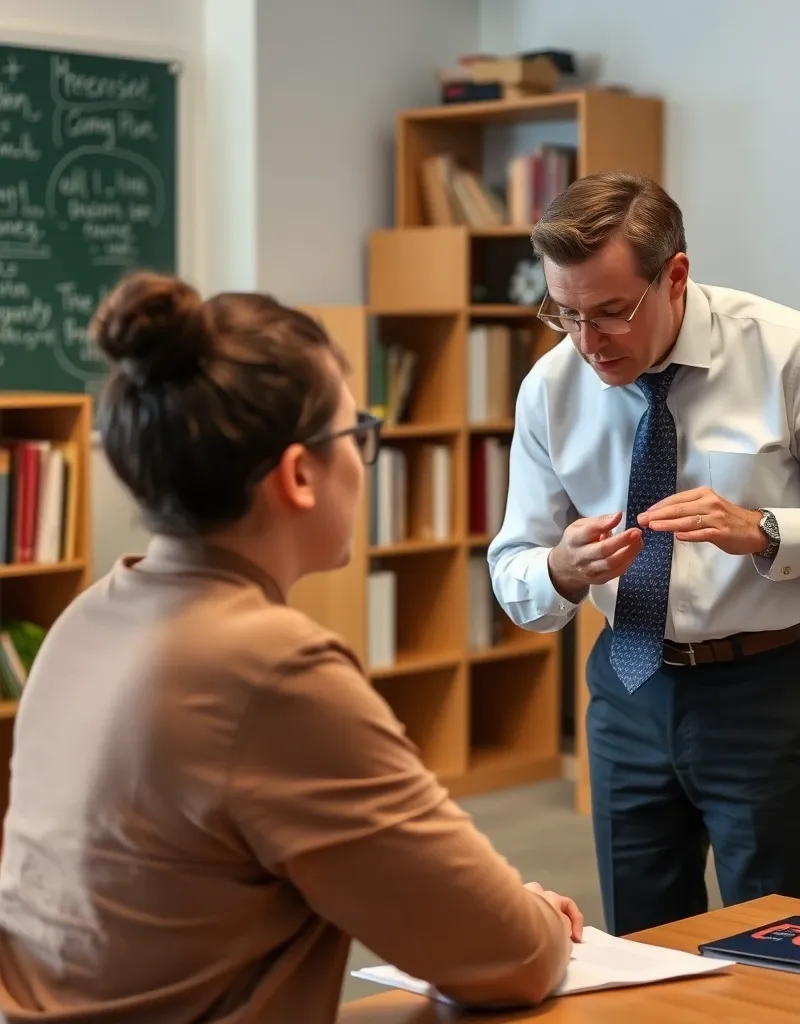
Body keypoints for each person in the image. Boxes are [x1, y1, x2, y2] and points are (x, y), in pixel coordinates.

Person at [0, 272, 583, 1023]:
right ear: (299, 475)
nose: (363, 460)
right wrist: (525, 918)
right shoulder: (269, 668)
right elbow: (511, 957)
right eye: (357, 435)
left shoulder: (87, 617)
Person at [488, 171, 800, 938]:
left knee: (787, 947)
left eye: (612, 312)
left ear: (676, 276)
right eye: (567, 314)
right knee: (642, 946)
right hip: (628, 687)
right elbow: (512, 563)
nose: (590, 343)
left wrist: (765, 529)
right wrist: (560, 567)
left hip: (767, 690)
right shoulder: (549, 387)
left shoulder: (792, 355)